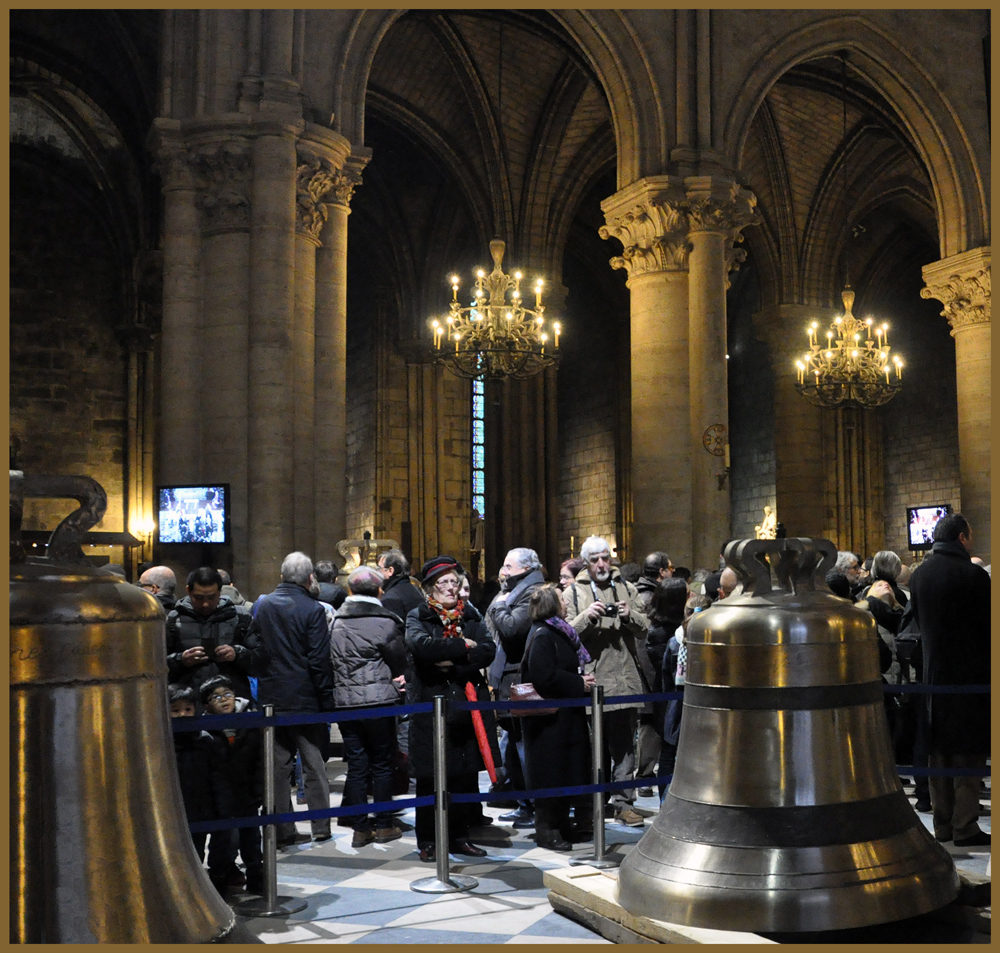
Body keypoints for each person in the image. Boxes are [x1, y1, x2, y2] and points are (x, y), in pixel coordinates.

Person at [405, 555, 496, 862]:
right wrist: (462, 647)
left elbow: (488, 649)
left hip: (464, 705)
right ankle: (428, 840)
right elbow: (422, 648)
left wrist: (452, 663)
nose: (450, 588)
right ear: (430, 588)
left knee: (461, 775)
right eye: (443, 583)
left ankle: (458, 836)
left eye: (454, 582)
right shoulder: (418, 615)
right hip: (429, 706)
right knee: (430, 778)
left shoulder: (470, 613)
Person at [908, 513, 990, 847]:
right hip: (969, 677)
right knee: (967, 752)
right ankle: (965, 825)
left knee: (938, 751)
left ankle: (942, 824)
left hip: (932, 677)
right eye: (970, 536)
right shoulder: (972, 575)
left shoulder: (919, 576)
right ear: (961, 538)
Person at [561, 536, 650, 827]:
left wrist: (628, 615)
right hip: (593, 679)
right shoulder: (573, 592)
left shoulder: (627, 587)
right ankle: (594, 803)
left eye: (605, 558)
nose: (601, 564)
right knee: (592, 746)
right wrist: (588, 616)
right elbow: (565, 634)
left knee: (625, 747)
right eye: (595, 559)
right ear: (585, 561)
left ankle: (624, 803)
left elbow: (644, 627)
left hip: (624, 678)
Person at [252, 551, 335, 846]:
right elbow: (319, 660)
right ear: (310, 578)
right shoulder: (313, 609)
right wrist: (327, 701)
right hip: (305, 698)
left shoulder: (262, 605)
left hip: (271, 696)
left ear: (281, 576)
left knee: (276, 768)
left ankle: (281, 829)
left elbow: (255, 648)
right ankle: (321, 827)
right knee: (314, 765)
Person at [329, 566, 408, 847]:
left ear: (350, 592)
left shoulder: (336, 622)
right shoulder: (385, 622)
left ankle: (360, 828)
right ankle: (385, 825)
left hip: (346, 704)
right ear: (379, 591)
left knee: (357, 766)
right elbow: (400, 662)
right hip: (379, 702)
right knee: (383, 765)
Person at [519, 584, 597, 850]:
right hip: (548, 723)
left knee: (566, 772)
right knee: (550, 774)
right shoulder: (543, 635)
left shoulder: (559, 631)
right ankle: (547, 830)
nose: (566, 604)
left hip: (564, 719)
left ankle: (562, 826)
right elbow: (543, 676)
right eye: (563, 600)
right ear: (552, 605)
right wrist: (579, 682)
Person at [486, 547, 546, 829]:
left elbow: (512, 628)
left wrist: (499, 603)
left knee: (524, 748)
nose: (504, 571)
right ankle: (523, 804)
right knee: (513, 747)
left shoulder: (531, 591)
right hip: (508, 677)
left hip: (519, 678)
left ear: (524, 568)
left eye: (508, 567)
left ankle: (534, 806)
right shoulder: (520, 590)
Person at [168, 683, 236, 894]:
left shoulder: (206, 740)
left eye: (187, 709)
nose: (183, 715)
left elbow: (218, 777)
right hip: (177, 810)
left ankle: (214, 887)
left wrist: (224, 809)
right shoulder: (161, 743)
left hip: (204, 806)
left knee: (211, 851)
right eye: (176, 710)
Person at [199, 674, 263, 895]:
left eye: (227, 694)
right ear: (207, 705)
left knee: (252, 839)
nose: (224, 700)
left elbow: (260, 759)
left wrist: (259, 789)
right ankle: (219, 877)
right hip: (220, 798)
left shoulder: (250, 721)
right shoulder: (205, 731)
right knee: (225, 840)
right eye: (216, 697)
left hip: (248, 792)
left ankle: (257, 876)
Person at [165, 567, 264, 702]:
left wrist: (237, 654)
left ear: (220, 592)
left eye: (211, 597)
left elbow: (262, 662)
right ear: (188, 591)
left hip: (233, 705)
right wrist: (181, 660)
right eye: (199, 598)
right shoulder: (173, 620)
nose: (205, 604)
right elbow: (156, 667)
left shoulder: (240, 617)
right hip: (189, 705)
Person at [659, 593, 711, 801]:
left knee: (669, 756)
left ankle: (664, 803)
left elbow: (665, 675)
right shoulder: (712, 641)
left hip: (677, 704)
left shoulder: (675, 642)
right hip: (704, 707)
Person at [632, 550, 676, 794]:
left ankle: (644, 774)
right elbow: (647, 641)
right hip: (650, 670)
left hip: (642, 669)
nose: (671, 570)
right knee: (651, 723)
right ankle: (645, 775)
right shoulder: (651, 598)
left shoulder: (637, 593)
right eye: (670, 567)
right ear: (661, 571)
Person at [641, 577, 688, 797]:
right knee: (668, 750)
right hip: (668, 697)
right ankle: (665, 800)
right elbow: (666, 669)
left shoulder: (671, 629)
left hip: (670, 696)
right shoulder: (663, 633)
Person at [377, 548, 425, 621]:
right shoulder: (414, 588)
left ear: (390, 571)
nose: (377, 572)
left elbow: (393, 629)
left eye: (379, 568)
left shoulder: (390, 598)